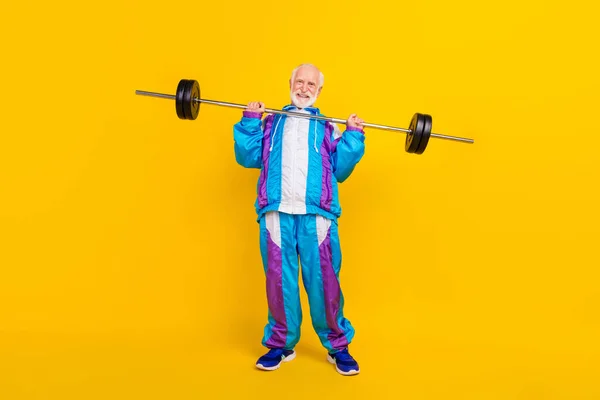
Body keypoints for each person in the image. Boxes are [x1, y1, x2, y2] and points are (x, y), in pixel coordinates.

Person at [232, 63, 366, 376]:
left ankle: (338, 347)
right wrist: (250, 121)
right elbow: (247, 156)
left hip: (316, 216)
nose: (304, 88)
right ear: (290, 83)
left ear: (319, 91)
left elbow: (341, 169)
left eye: (311, 85)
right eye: (299, 82)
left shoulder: (327, 126)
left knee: (324, 283)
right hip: (276, 213)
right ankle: (280, 344)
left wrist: (354, 136)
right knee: (280, 282)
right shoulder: (271, 123)